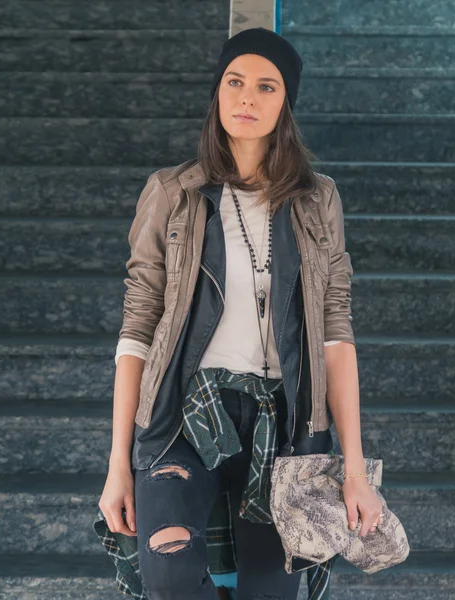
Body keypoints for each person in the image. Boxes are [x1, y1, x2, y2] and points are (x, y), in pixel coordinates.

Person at [96, 27, 385, 600]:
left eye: (266, 86)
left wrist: (354, 468)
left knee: (270, 593)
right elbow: (137, 329)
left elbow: (334, 329)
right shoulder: (171, 192)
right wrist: (118, 463)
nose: (247, 97)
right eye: (235, 82)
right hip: (182, 413)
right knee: (172, 577)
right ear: (218, 93)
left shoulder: (317, 198)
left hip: (284, 422)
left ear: (285, 104)